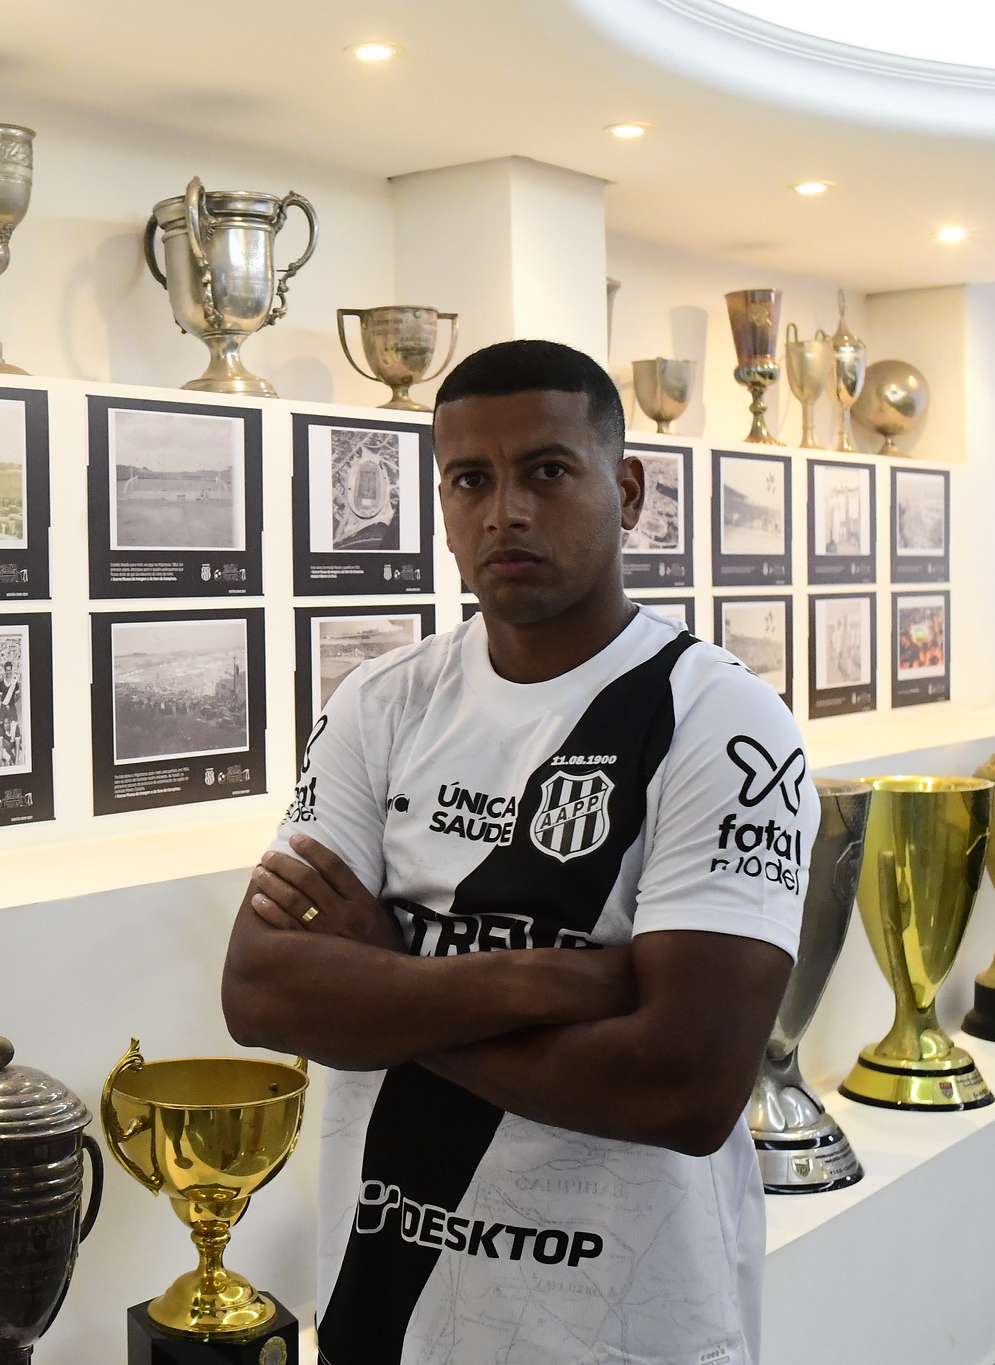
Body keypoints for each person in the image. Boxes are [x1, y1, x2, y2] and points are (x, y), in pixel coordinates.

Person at [220, 340, 811, 1365]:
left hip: (622, 1320)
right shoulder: (380, 702)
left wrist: (386, 985)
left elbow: (684, 1086)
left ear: (623, 491)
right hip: (387, 1302)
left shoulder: (718, 721)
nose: (504, 512)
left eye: (546, 471)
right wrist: (550, 979)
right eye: (469, 479)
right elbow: (262, 992)